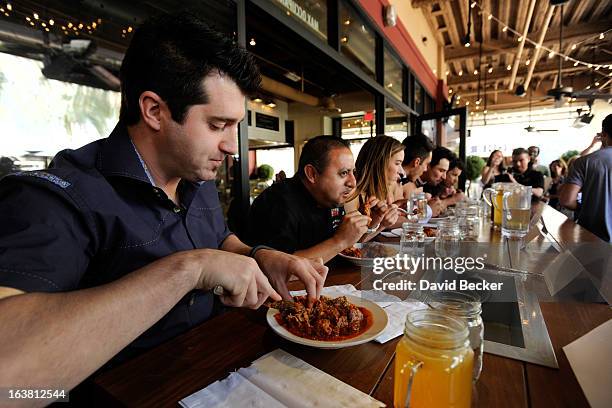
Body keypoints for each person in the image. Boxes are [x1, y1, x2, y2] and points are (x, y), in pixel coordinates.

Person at [0, 13, 328, 396]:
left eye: (234, 127)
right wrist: (189, 269)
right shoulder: (60, 196)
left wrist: (259, 255)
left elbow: (219, 239)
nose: (231, 147)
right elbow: (10, 372)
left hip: (222, 369)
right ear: (154, 110)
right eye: (217, 125)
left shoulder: (195, 176)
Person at [247, 136, 371, 263]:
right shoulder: (277, 204)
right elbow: (278, 268)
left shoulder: (330, 199)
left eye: (353, 172)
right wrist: (339, 241)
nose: (353, 182)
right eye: (344, 173)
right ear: (312, 174)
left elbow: (345, 248)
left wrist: (373, 224)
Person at [560, 115, 612, 242]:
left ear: (603, 133)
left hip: (593, 237)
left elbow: (567, 200)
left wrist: (587, 206)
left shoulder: (585, 162)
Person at [345, 135, 401, 240]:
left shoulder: (382, 192)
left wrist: (382, 224)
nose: (401, 171)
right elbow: (350, 246)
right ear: (380, 163)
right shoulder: (352, 195)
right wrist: (381, 225)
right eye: (397, 163)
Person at [396, 134, 434, 200]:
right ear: (416, 162)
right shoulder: (393, 182)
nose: (425, 169)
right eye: (426, 164)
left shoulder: (410, 184)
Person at [422, 146, 455, 216]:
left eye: (446, 172)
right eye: (441, 170)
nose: (444, 177)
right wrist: (428, 211)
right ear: (428, 166)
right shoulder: (409, 184)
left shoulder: (428, 185)